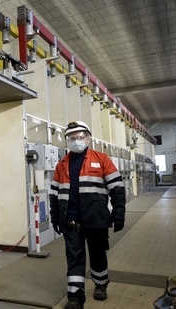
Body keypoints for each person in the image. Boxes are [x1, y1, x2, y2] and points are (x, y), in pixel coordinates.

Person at [49, 121, 126, 309]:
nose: (77, 141)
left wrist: (118, 213)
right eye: (72, 138)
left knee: (98, 254)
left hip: (96, 219)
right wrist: (55, 216)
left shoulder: (101, 159)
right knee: (74, 258)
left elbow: (117, 188)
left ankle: (101, 284)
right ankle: (75, 298)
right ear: (68, 140)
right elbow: (54, 194)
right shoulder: (61, 165)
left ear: (88, 137)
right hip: (71, 220)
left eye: (80, 137)